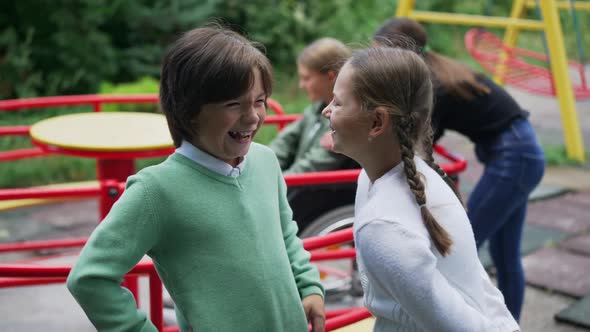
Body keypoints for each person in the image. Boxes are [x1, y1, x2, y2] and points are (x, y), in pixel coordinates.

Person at [66, 26, 325, 332]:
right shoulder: (156, 191)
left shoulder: (265, 161)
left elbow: (286, 234)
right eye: (234, 104)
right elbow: (90, 278)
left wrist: (308, 285)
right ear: (189, 109)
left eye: (260, 100)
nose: (253, 116)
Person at [322, 46, 520, 331]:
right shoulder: (404, 176)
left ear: (377, 122)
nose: (327, 110)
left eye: (338, 103)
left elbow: (458, 326)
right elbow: (477, 287)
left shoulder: (383, 225)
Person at [372, 17, 545, 321]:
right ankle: (511, 324)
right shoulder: (440, 69)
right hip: (520, 150)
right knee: (506, 256)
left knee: (459, 247)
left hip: (515, 156)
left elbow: (416, 144)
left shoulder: (432, 86)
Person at [270, 37, 354, 174]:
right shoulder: (315, 109)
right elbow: (285, 141)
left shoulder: (343, 121)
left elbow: (313, 166)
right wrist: (263, 166)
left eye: (306, 78)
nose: (301, 85)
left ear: (331, 77)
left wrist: (276, 184)